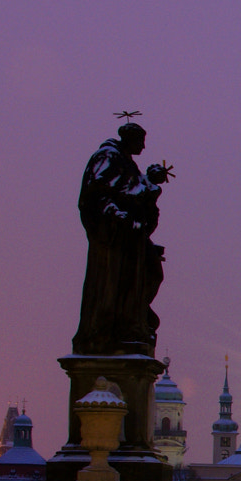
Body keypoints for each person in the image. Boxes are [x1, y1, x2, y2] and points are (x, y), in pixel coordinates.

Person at [72, 122, 172, 356]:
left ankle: (133, 322)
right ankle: (110, 329)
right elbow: (101, 193)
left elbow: (136, 194)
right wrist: (121, 215)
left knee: (152, 273)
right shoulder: (107, 157)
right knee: (113, 285)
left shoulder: (126, 162)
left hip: (131, 237)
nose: (144, 146)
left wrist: (149, 180)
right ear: (130, 139)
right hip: (113, 238)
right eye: (141, 141)